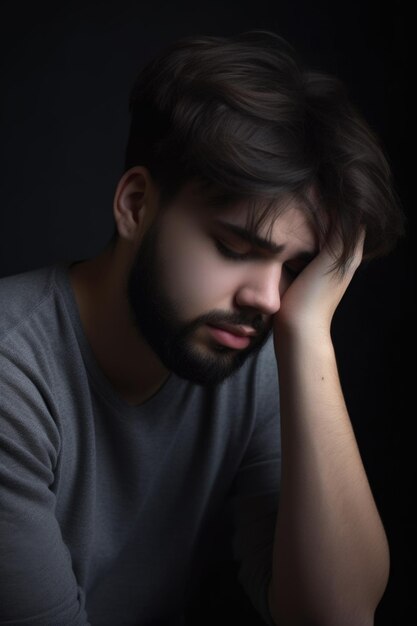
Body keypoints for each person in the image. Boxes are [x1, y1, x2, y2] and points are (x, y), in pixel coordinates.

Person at [0, 30, 405, 626]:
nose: (268, 299)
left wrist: (310, 333)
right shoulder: (13, 376)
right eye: (234, 247)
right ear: (136, 204)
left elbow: (336, 615)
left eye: (295, 269)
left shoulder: (256, 349)